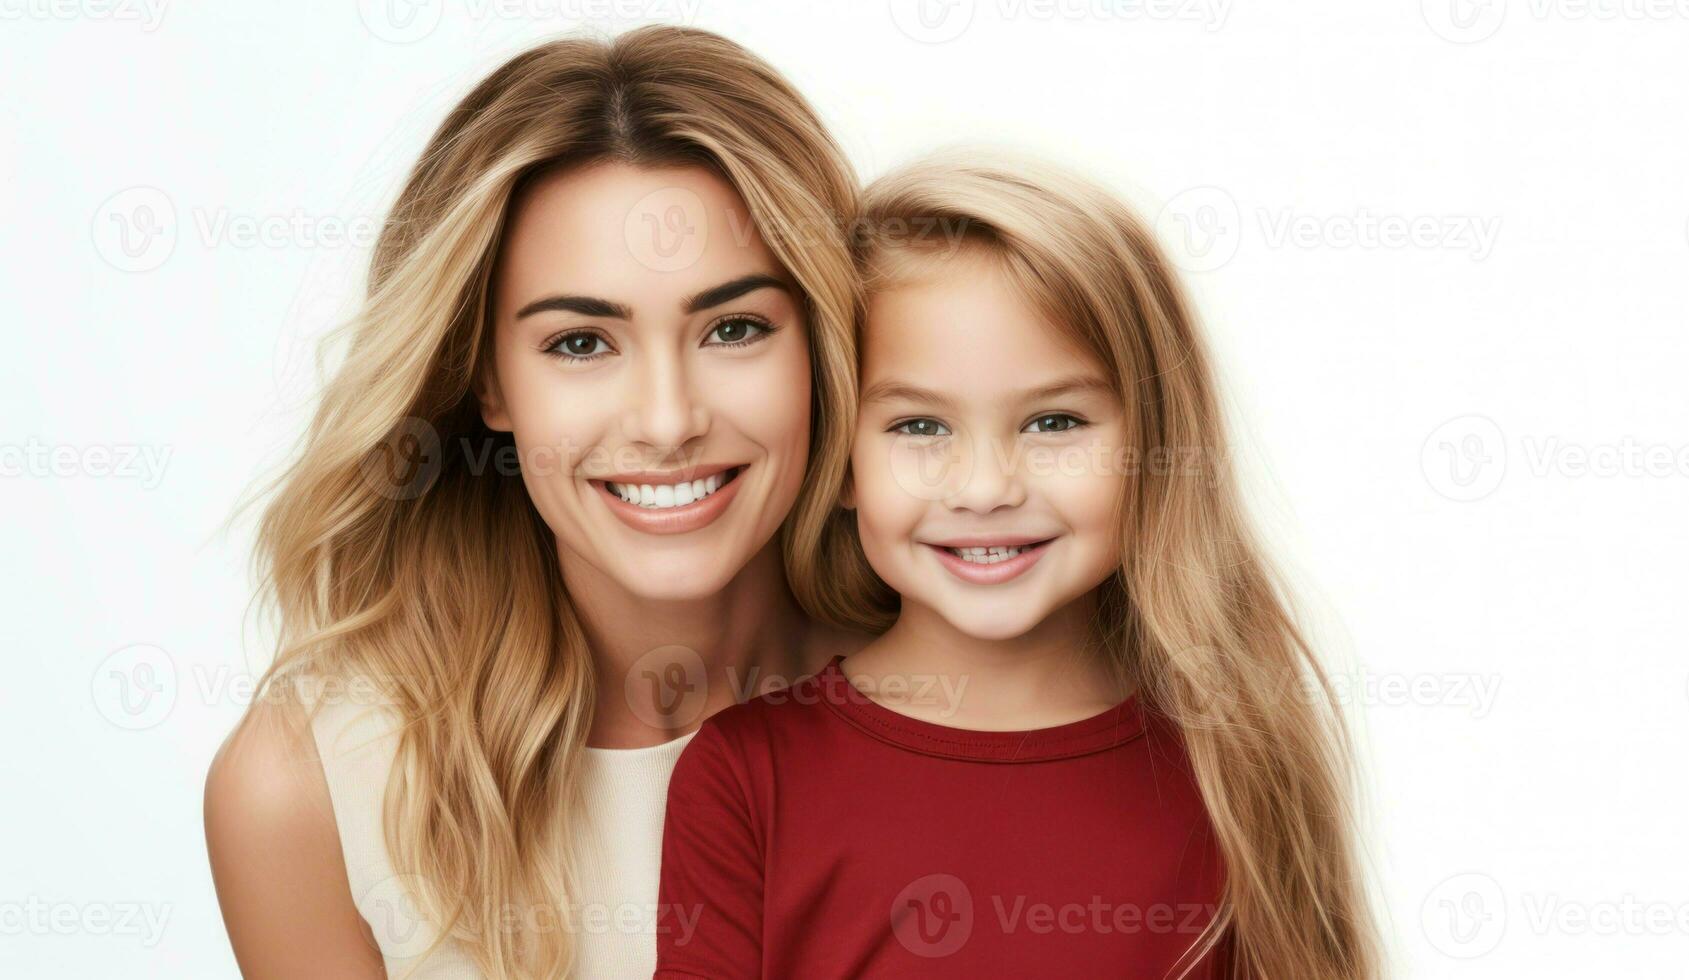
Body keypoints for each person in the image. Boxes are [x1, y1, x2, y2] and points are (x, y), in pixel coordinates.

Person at [203, 26, 870, 978]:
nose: (668, 419)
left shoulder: (982, 698)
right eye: (579, 343)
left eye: (733, 327)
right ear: (490, 382)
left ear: (821, 349)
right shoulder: (307, 787)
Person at [656, 153, 1381, 978]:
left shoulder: (1234, 763)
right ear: (842, 456)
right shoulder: (746, 777)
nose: (986, 488)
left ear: (1152, 444)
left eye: (1053, 422)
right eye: (919, 428)